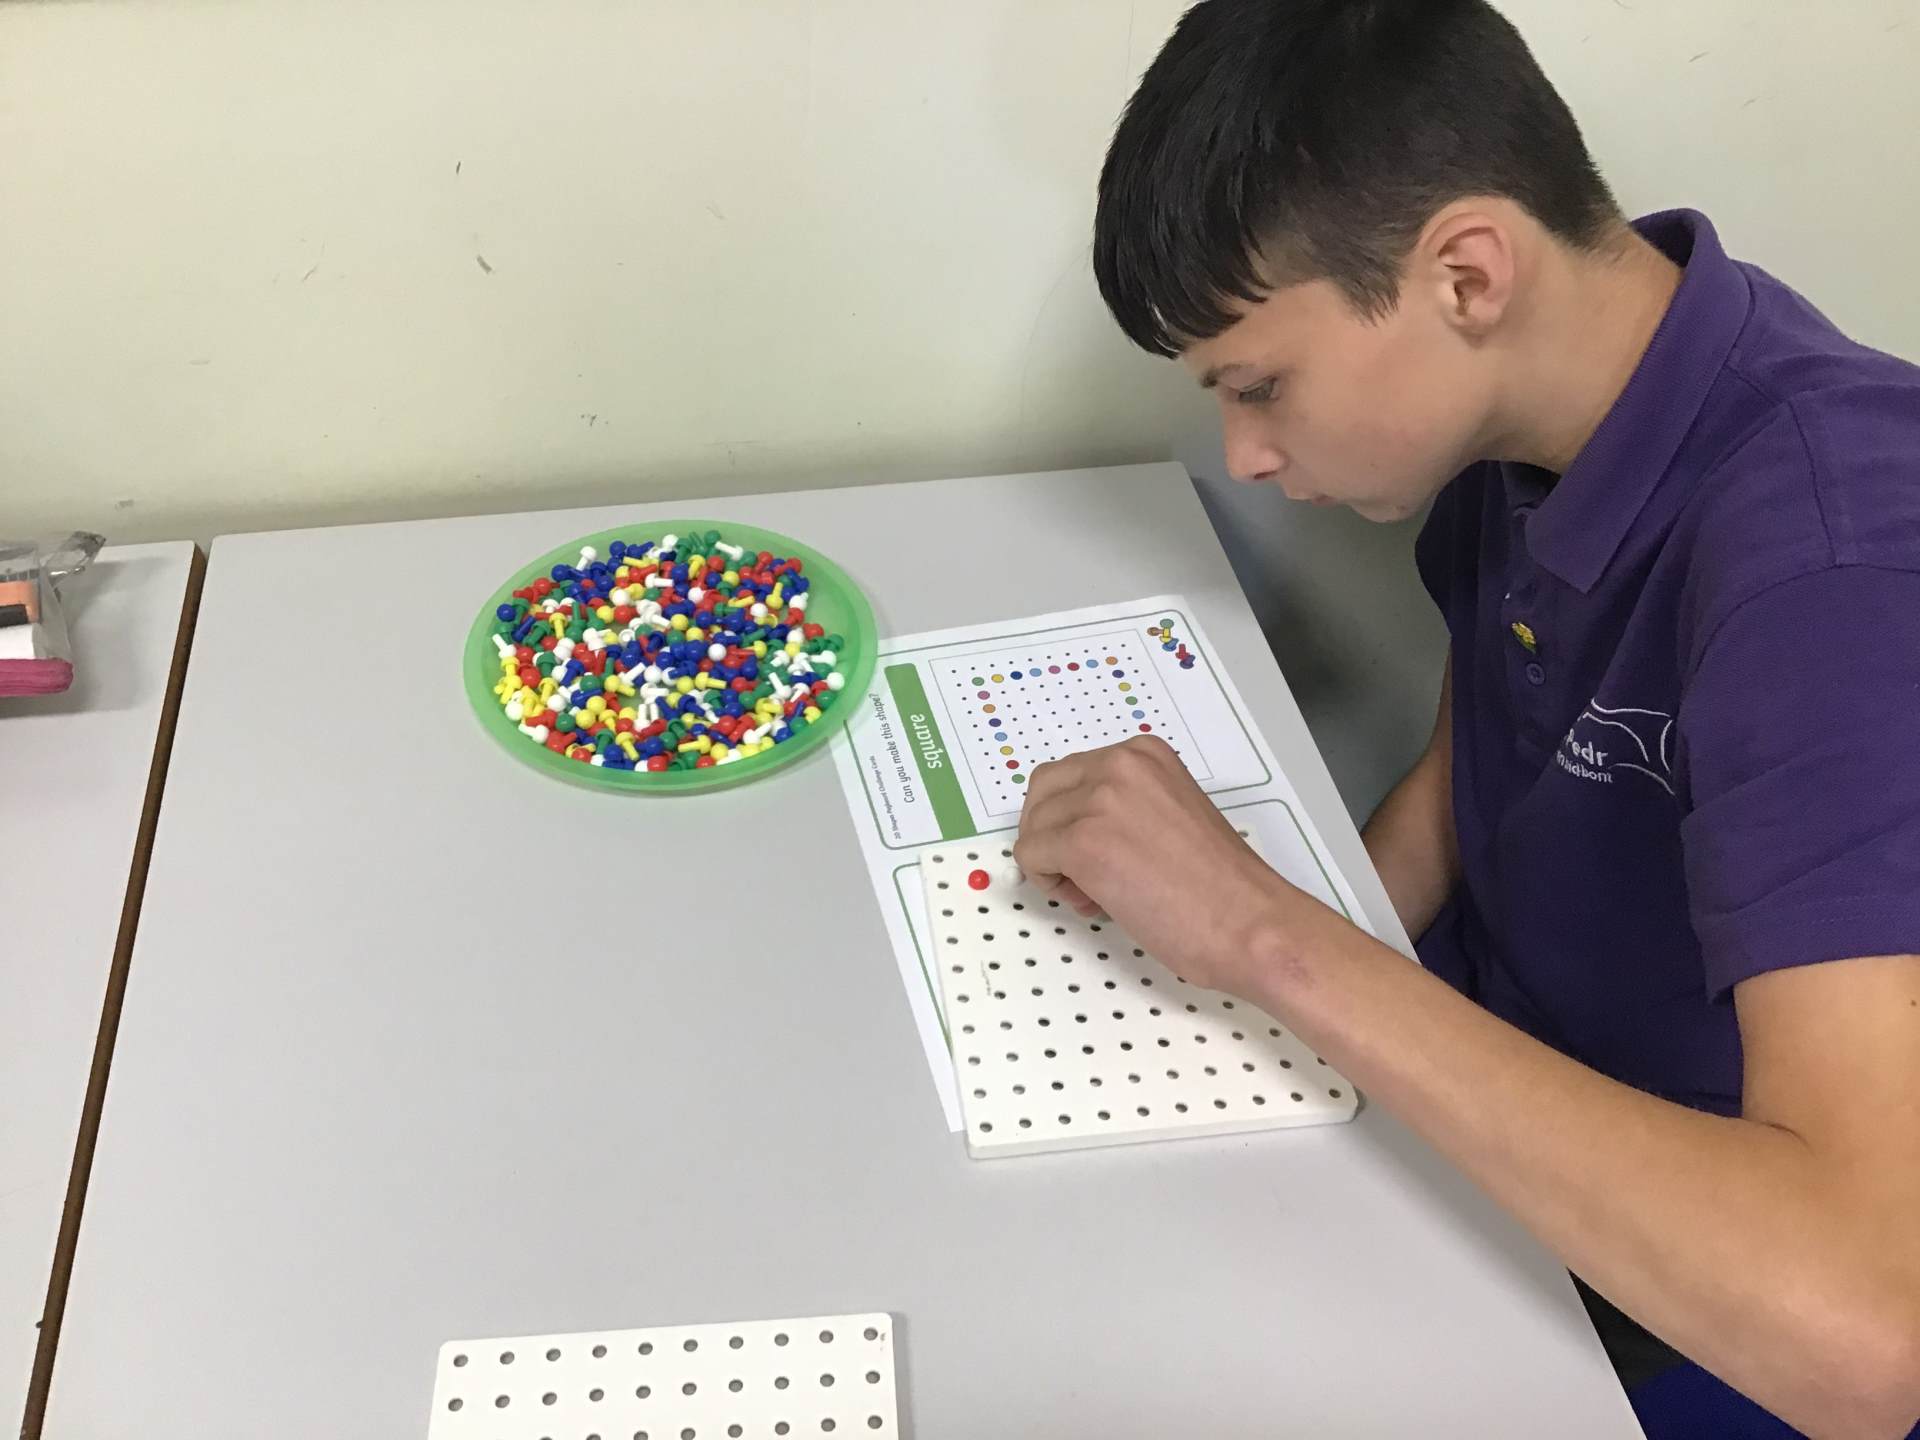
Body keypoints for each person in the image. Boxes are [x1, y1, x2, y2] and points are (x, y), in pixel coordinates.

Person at [1015, 2, 1920, 1435]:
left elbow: (1868, 1340)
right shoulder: (1539, 419)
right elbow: (1479, 761)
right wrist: (1260, 986)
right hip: (1476, 1078)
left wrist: (1266, 935)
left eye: (1260, 386)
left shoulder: (1832, 569)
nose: (1245, 455)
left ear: (1467, 275)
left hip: (1682, 1285)